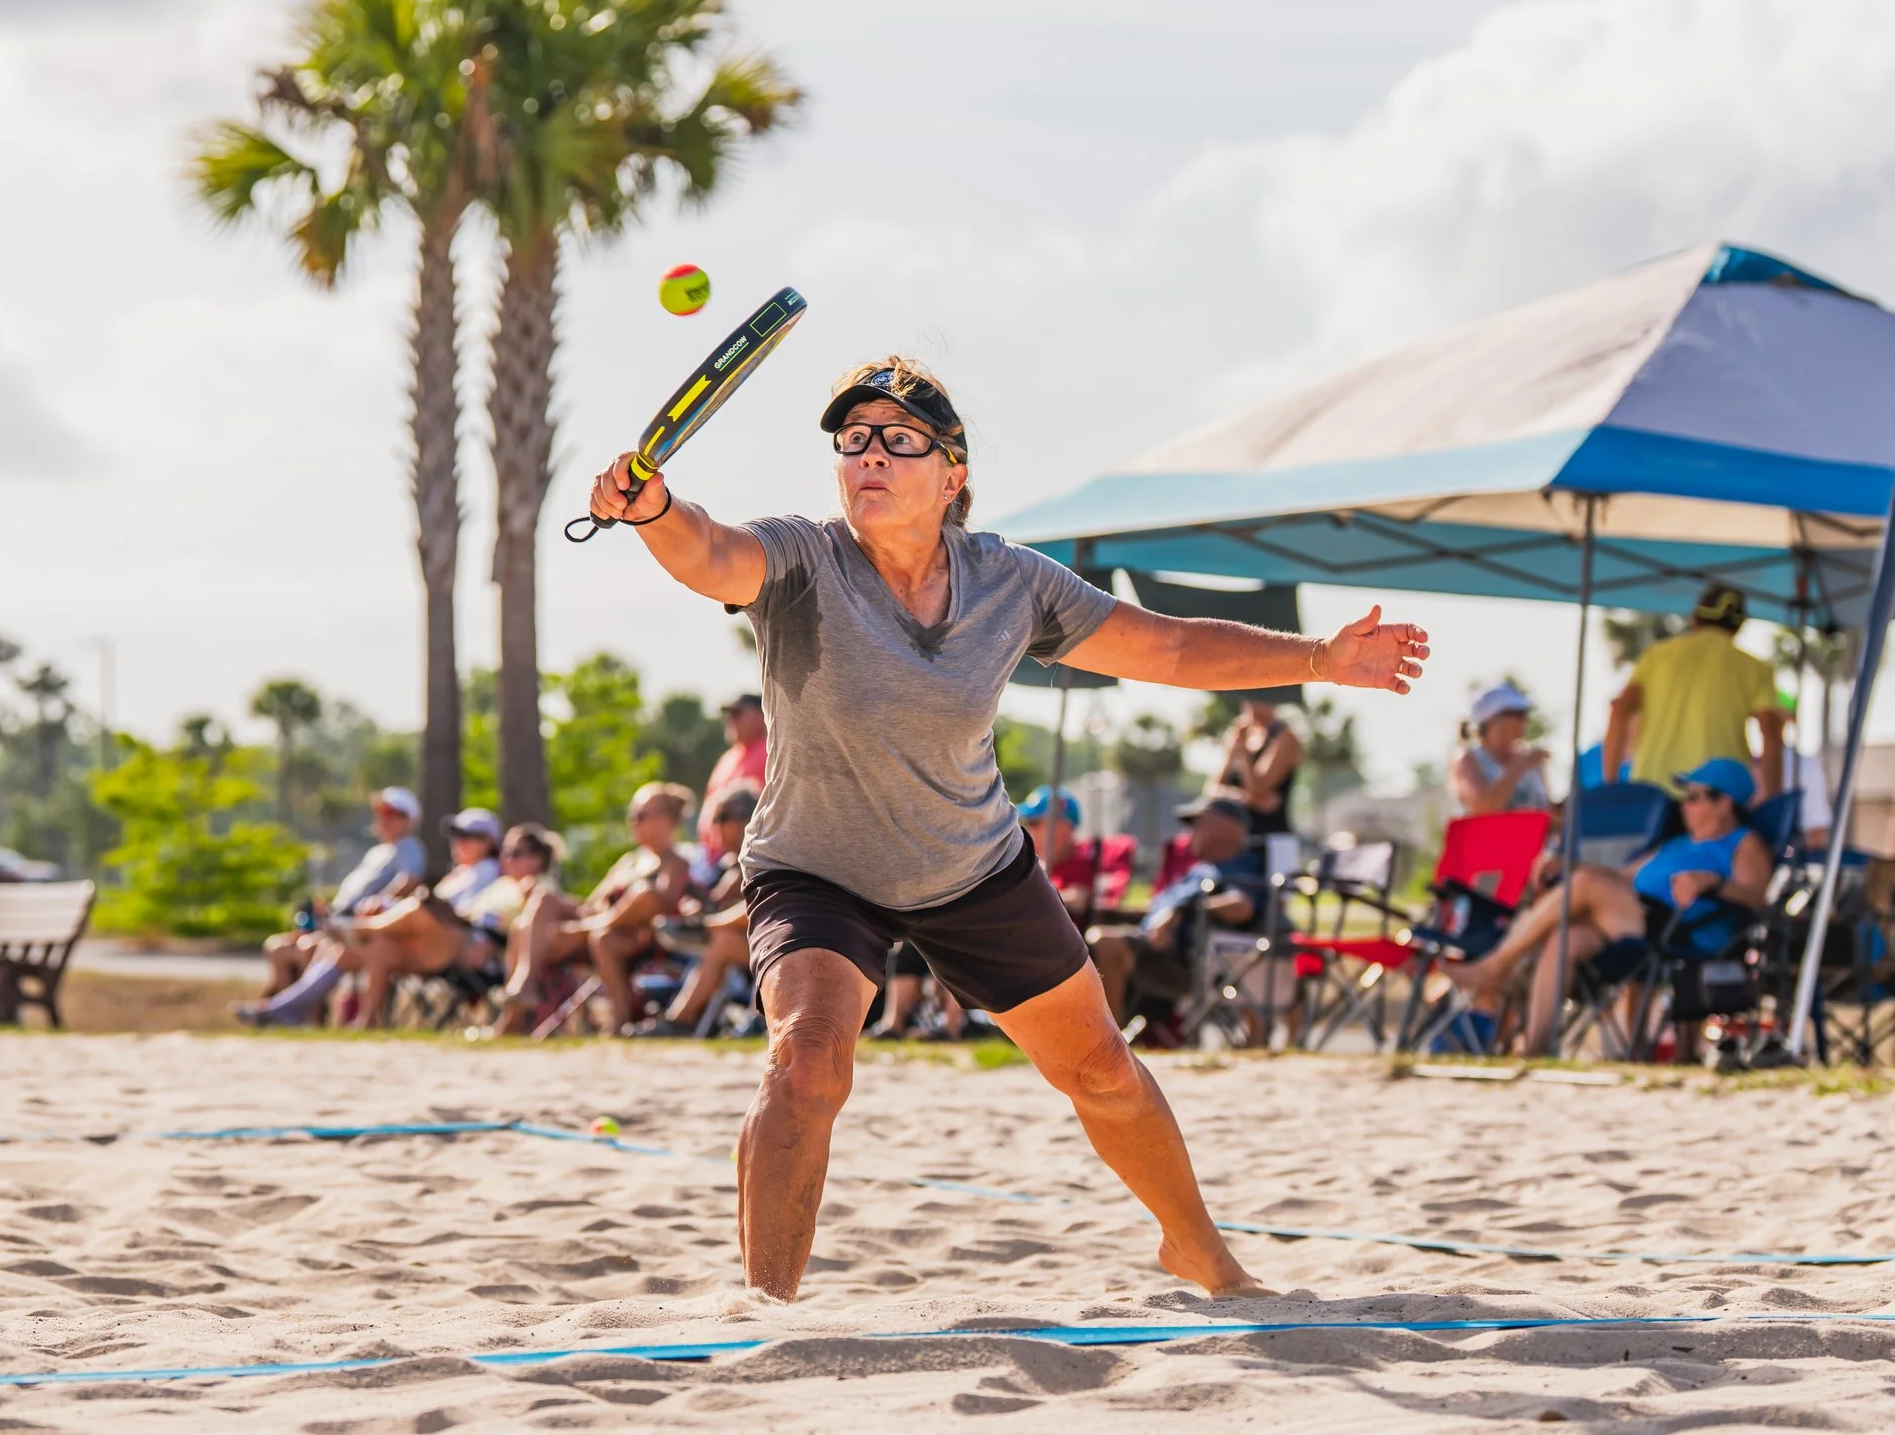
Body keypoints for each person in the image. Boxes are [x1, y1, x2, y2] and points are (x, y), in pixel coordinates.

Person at [584, 352, 1427, 1301]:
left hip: (971, 866)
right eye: (853, 440)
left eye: (898, 441)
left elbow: (1172, 646)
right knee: (808, 1063)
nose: (869, 455)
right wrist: (654, 511)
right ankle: (764, 1310)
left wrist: (1319, 657)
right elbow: (710, 552)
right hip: (817, 867)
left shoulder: (1012, 583)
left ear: (954, 475)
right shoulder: (803, 557)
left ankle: (1203, 1256)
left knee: (1103, 1067)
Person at [1445, 757, 1770, 1053]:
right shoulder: (1676, 843)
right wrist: (1568, 867)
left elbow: (1758, 895)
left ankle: (1495, 966)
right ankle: (1536, 1047)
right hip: (1631, 917)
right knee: (1566, 940)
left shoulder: (1742, 843)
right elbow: (1620, 876)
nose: (1684, 806)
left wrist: (1712, 882)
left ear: (1724, 802)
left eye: (1694, 797)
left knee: (1587, 884)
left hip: (1678, 928)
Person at [241, 809, 502, 1027]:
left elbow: (478, 916)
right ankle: (289, 1010)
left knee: (414, 908)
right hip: (420, 945)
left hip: (452, 948)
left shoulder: (489, 871)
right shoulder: (457, 874)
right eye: (457, 837)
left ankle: (359, 929)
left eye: (469, 837)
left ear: (488, 842)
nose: (459, 843)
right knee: (370, 949)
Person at [496, 784, 697, 1034]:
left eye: (641, 816)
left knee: (639, 901)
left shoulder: (675, 863)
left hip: (635, 938)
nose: (632, 822)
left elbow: (659, 907)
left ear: (666, 820)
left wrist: (585, 926)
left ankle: (619, 1020)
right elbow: (593, 902)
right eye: (631, 815)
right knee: (536, 907)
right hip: (598, 925)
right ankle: (518, 1001)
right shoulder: (630, 861)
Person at [1087, 797, 1264, 1030]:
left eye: (1197, 825)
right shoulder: (1201, 869)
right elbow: (1156, 909)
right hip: (1153, 944)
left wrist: (1183, 909)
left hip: (1187, 958)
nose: (1189, 833)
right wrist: (1104, 910)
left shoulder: (1240, 866)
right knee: (1085, 932)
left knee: (1105, 943)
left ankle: (1109, 1040)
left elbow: (1242, 906)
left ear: (1225, 828)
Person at [1603, 584, 1785, 800]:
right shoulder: (1756, 668)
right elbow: (1771, 734)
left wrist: (1610, 784)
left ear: (1695, 618)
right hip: (1718, 795)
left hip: (1652, 789)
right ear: (1739, 626)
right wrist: (1773, 800)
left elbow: (1621, 709)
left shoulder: (1657, 655)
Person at [262, 788, 425, 996]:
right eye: (381, 813)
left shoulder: (408, 847)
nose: (384, 820)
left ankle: (309, 1018)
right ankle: (282, 1013)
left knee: (308, 947)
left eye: (392, 815)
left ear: (408, 820)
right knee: (277, 948)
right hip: (337, 918)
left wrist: (378, 903)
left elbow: (411, 879)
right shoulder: (377, 852)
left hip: (358, 924)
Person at [638, 784, 760, 1037]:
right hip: (754, 954)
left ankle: (680, 1021)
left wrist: (710, 922)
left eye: (723, 818)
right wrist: (700, 909)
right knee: (720, 941)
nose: (716, 827)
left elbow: (757, 908)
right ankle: (681, 1019)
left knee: (722, 942)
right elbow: (713, 907)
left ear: (749, 819)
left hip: (775, 950)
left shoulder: (764, 860)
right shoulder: (729, 867)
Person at [1452, 683, 1552, 816]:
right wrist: (1520, 767)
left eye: (1524, 713)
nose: (1523, 719)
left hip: (1534, 837)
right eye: (1516, 713)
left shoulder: (1531, 761)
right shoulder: (1467, 760)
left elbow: (1547, 811)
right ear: (1492, 719)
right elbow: (1483, 808)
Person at [1210, 699, 1298, 841]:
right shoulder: (1237, 735)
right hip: (1236, 838)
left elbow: (1258, 790)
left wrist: (1244, 755)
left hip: (1271, 839)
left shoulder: (1284, 737)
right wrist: (1240, 797)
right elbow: (1212, 790)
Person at [698, 695, 768, 857]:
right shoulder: (728, 758)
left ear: (761, 715)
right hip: (714, 855)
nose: (731, 720)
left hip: (748, 854)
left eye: (737, 713)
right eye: (729, 715)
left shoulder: (771, 752)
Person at [1021, 785, 1099, 924]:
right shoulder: (1028, 861)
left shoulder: (1081, 860)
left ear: (1061, 828)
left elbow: (1078, 899)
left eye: (1034, 823)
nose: (1027, 829)